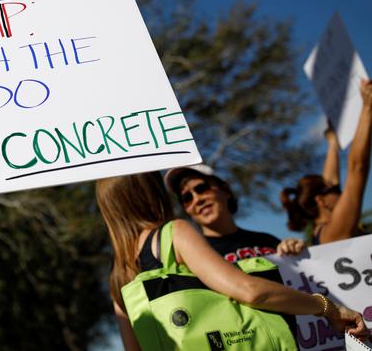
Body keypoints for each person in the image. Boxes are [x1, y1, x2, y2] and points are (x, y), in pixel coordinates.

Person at [96, 172, 368, 351]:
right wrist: (325, 306)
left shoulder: (118, 275)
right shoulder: (173, 233)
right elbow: (250, 291)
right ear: (151, 191)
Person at [281, 79, 372, 245]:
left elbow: (330, 179)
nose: (342, 191)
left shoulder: (321, 232)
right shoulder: (335, 230)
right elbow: (357, 168)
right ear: (321, 201)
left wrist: (332, 144)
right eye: (336, 190)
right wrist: (367, 109)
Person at [164, 164, 304, 263]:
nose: (197, 199)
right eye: (187, 198)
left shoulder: (267, 241)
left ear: (225, 191)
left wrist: (293, 251)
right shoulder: (192, 255)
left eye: (202, 188)